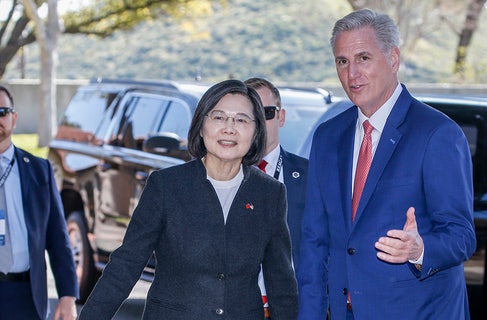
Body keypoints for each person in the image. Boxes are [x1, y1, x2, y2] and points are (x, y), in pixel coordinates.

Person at [297, 9, 476, 320]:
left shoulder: (437, 133)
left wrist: (418, 250)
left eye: (363, 58)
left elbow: (461, 235)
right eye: (343, 61)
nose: (352, 74)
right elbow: (315, 239)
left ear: (393, 59)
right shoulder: (328, 136)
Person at [78, 80, 298, 319]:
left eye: (242, 120)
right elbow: (126, 263)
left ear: (256, 131)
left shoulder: (269, 193)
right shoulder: (166, 186)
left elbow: (281, 281)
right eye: (218, 117)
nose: (229, 128)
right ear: (201, 125)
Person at [0, 84, 78, 320]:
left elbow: (58, 237)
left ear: (14, 118)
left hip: (25, 294)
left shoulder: (38, 169)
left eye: (2, 112)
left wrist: (67, 296)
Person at [244, 78, 308, 319]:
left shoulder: (313, 177)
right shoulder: (219, 176)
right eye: (249, 114)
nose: (259, 121)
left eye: (267, 113)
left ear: (281, 117)